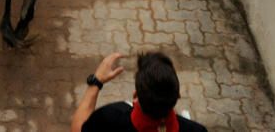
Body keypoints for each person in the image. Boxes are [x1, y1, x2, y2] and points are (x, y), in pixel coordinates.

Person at [71, 52, 207, 131]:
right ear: (177, 96)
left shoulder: (109, 118)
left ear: (135, 95)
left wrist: (96, 82)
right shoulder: (197, 130)